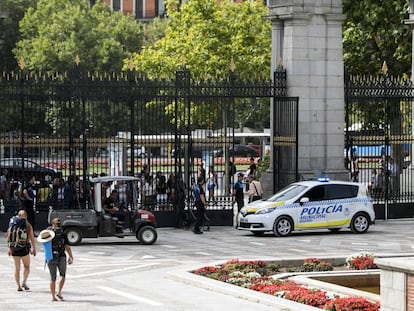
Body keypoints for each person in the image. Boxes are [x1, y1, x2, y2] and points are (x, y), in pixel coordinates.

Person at [40, 218, 73, 302]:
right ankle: (59, 292)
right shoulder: (63, 233)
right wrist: (71, 257)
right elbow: (67, 247)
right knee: (62, 275)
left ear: (52, 224)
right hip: (61, 256)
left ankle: (53, 297)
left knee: (52, 278)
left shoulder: (48, 233)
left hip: (50, 256)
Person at [7, 209, 37, 292]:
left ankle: (18, 286)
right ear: (26, 216)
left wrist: (9, 248)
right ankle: (24, 282)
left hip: (14, 248)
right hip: (24, 248)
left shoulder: (13, 224)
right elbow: (32, 238)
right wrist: (34, 248)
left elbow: (9, 236)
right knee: (27, 266)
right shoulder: (28, 225)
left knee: (17, 268)